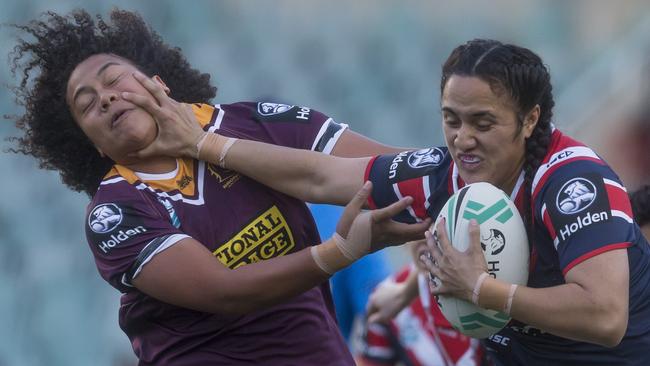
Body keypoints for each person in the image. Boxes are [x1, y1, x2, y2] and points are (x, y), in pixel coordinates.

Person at [137, 39, 650, 365]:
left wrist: (479, 288)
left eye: (483, 123)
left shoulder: (572, 181)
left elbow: (605, 317)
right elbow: (319, 175)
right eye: (452, 120)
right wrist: (206, 144)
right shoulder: (441, 175)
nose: (463, 139)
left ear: (531, 120)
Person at [7, 9, 432, 365]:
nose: (105, 97)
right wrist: (339, 251)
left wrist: (464, 180)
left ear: (159, 83)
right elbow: (224, 290)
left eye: (115, 79)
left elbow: (386, 169)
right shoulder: (114, 212)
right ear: (95, 147)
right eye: (87, 104)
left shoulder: (255, 122)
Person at [359, 251, 485, 366]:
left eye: (435, 224)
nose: (430, 234)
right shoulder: (385, 298)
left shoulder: (495, 280)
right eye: (422, 224)